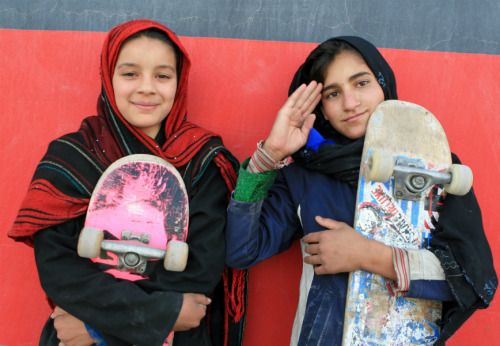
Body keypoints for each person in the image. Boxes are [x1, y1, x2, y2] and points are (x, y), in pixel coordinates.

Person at [225, 36, 497, 345]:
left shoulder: (432, 169)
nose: (350, 103)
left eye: (361, 83)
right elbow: (240, 251)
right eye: (333, 93)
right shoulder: (306, 176)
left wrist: (367, 255)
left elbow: (471, 281)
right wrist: (268, 156)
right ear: (321, 109)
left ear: (383, 84)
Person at [8, 19, 247, 346]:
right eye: (130, 73)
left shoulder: (201, 162)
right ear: (108, 76)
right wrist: (161, 313)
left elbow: (201, 268)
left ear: (180, 82)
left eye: (162, 75)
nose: (147, 87)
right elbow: (58, 268)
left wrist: (95, 329)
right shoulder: (73, 156)